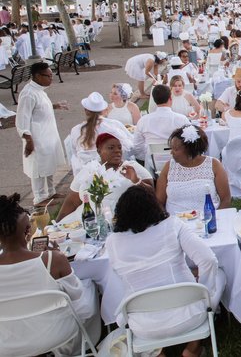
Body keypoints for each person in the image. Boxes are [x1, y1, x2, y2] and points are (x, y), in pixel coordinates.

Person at [106, 186, 219, 357]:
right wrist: (203, 293)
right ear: (155, 206)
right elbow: (209, 260)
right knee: (220, 278)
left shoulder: (112, 242)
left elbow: (117, 279)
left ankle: (157, 353)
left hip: (142, 326)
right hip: (188, 317)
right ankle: (192, 349)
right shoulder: (172, 225)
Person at [0, 193, 100, 356]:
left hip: (7, 343)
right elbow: (77, 295)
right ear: (27, 230)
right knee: (89, 286)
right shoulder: (52, 260)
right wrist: (55, 256)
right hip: (54, 336)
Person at [57, 132, 153, 220]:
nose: (117, 151)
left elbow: (152, 194)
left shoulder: (131, 167)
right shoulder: (89, 169)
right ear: (99, 151)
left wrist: (135, 180)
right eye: (111, 148)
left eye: (119, 148)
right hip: (87, 220)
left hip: (123, 220)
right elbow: (72, 202)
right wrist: (57, 225)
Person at [15, 62, 68, 205]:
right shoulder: (28, 93)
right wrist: (28, 140)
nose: (51, 79)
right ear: (37, 76)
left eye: (52, 75)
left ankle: (51, 192)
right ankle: (39, 197)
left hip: (48, 135)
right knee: (38, 168)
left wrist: (55, 106)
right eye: (48, 76)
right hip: (36, 138)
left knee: (49, 164)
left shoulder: (39, 90)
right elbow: (22, 119)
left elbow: (40, 107)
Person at [156, 125, 231, 214]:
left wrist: (214, 219)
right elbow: (159, 202)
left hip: (207, 220)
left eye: (175, 149)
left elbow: (225, 199)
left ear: (190, 150)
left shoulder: (214, 165)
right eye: (171, 148)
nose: (171, 152)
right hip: (175, 222)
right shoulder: (169, 167)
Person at [65, 92, 133, 176]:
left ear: (86, 111)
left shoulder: (76, 130)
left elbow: (74, 153)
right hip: (112, 172)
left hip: (85, 175)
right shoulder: (113, 125)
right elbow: (130, 147)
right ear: (103, 110)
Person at [132, 85, 190, 161]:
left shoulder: (143, 121)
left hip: (153, 163)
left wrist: (147, 159)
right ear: (170, 98)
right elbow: (191, 141)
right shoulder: (181, 119)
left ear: (154, 100)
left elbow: (137, 147)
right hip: (177, 161)